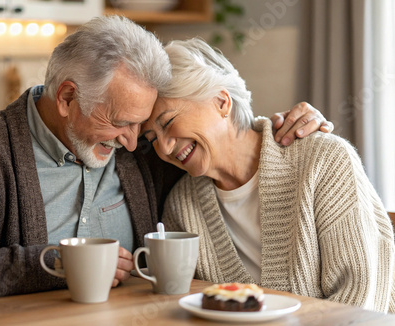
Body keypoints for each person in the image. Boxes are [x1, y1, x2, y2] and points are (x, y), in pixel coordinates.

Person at [0, 16, 331, 303]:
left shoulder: (144, 151)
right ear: (67, 97)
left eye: (141, 127)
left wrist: (277, 127)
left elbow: (213, 138)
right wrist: (55, 263)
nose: (132, 143)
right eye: (121, 123)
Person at [141, 37, 395, 313]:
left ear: (221, 101)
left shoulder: (322, 161)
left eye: (168, 122)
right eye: (152, 137)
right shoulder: (182, 206)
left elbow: (359, 299)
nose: (164, 147)